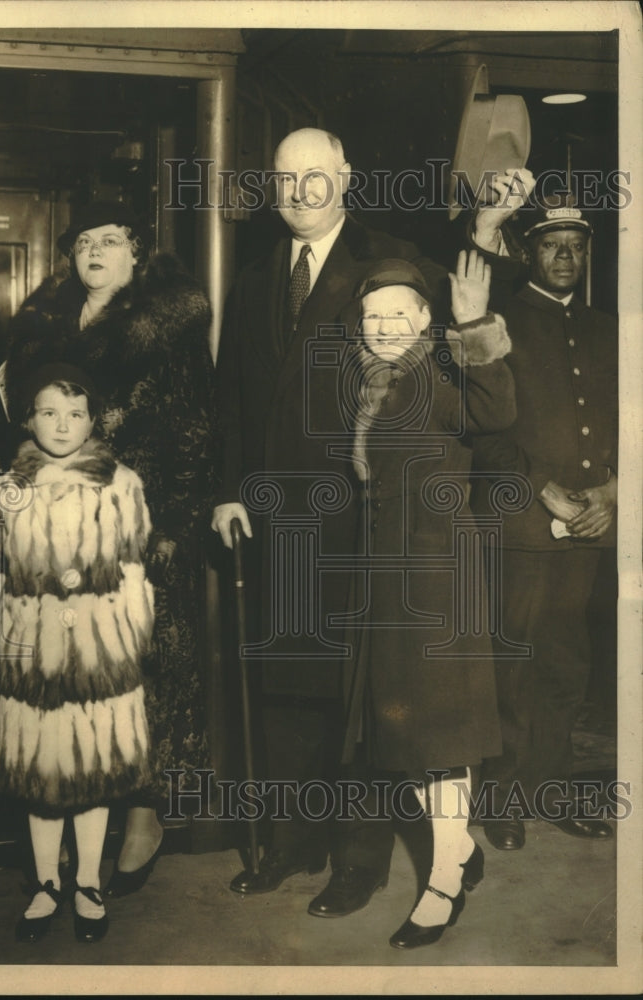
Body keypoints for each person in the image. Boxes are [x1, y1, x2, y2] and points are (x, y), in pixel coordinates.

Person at [213, 127, 450, 916]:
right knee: (284, 690)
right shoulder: (251, 282)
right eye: (285, 178)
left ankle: (358, 859)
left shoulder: (390, 261)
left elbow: (432, 381)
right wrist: (229, 489)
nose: (300, 191)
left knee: (358, 700)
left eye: (315, 175)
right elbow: (234, 401)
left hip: (360, 520)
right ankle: (290, 842)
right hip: (276, 521)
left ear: (345, 177)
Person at [1, 201, 216, 897]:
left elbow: (194, 425)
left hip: (141, 523)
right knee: (68, 672)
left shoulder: (171, 324)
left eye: (111, 240)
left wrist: (172, 525)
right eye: (84, 242)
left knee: (142, 670)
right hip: (59, 524)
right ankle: (65, 813)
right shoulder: (43, 326)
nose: (95, 251)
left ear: (137, 256)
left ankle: (143, 814)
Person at [341, 252, 514, 948]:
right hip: (387, 571)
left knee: (442, 733)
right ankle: (460, 849)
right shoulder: (368, 379)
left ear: (423, 318)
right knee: (402, 733)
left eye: (397, 315)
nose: (382, 327)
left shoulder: (446, 365)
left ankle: (442, 883)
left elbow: (498, 414)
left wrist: (474, 322)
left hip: (440, 569)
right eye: (371, 317)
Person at [0, 363, 153, 942]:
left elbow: (133, 568)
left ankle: (86, 881)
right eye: (49, 412)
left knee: (91, 764)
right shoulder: (9, 486)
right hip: (30, 649)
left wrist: (129, 635)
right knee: (39, 765)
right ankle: (45, 882)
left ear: (93, 421)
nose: (62, 424)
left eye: (75, 413)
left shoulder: (121, 484)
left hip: (97, 648)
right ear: (28, 419)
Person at [470, 198, 618, 850]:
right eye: (552, 245)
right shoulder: (499, 323)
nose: (565, 257)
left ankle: (550, 788)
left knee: (567, 660)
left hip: (591, 523)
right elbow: (480, 431)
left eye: (576, 246)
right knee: (513, 659)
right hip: (520, 523)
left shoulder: (608, 327)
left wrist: (613, 492)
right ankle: (498, 798)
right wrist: (539, 490)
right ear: (527, 252)